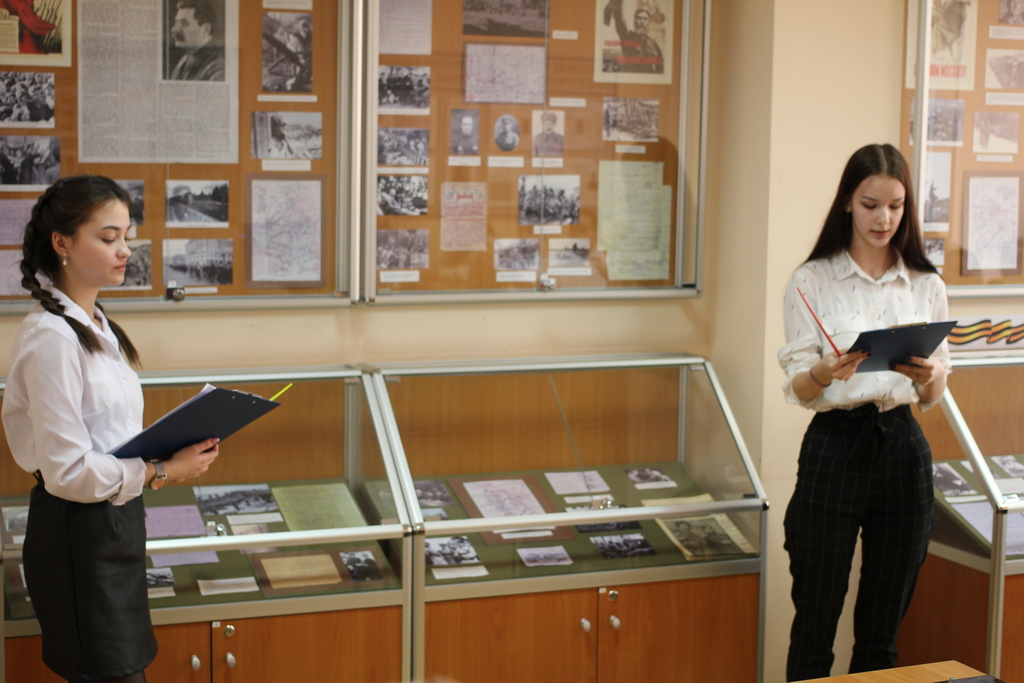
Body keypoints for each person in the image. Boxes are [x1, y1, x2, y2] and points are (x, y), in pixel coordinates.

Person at [2, 175, 221, 683]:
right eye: (108, 238)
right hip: (77, 535)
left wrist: (165, 459)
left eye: (127, 236)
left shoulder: (97, 322)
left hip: (116, 523)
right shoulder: (52, 337)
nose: (125, 250)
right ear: (62, 243)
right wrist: (162, 470)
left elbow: (111, 437)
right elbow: (67, 473)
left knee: (126, 666)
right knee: (113, 672)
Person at [778, 144, 950, 681]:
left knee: (882, 634)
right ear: (848, 202)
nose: (884, 219)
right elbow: (799, 388)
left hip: (902, 447)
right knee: (815, 624)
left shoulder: (926, 282)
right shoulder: (811, 279)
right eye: (872, 205)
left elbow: (934, 393)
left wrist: (930, 377)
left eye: (896, 207)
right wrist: (823, 371)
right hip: (834, 445)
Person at [168, 0, 225, 81]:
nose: (173, 29)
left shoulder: (218, 71)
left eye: (183, 23)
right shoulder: (184, 61)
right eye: (176, 23)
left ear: (205, 30)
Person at [604, 0, 664, 74]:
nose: (642, 22)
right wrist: (618, 5)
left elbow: (660, 68)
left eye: (645, 19)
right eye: (639, 18)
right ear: (634, 21)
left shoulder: (654, 45)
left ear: (649, 22)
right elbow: (620, 21)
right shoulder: (627, 36)